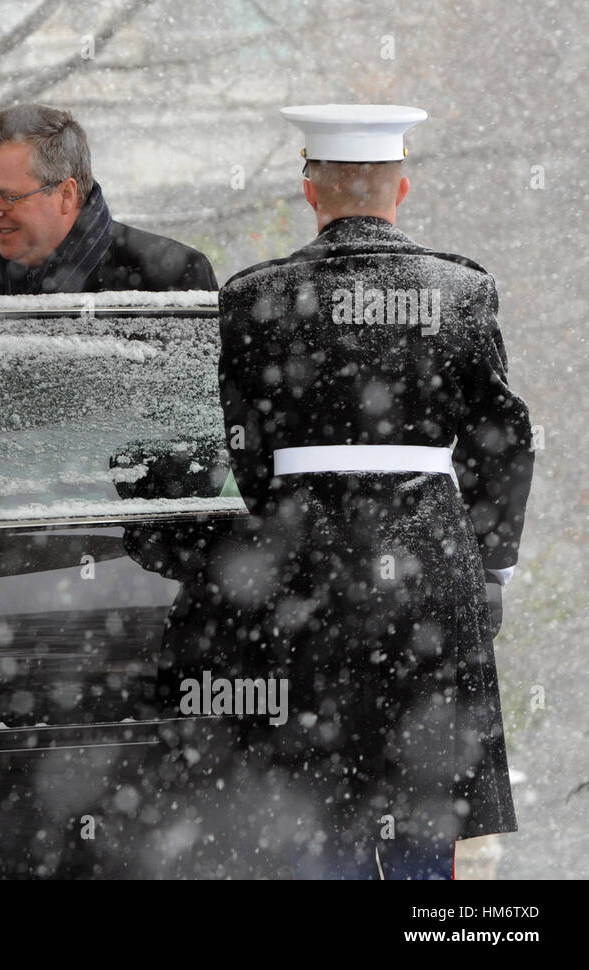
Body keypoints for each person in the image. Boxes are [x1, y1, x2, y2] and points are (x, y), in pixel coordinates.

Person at [211, 104, 534, 878]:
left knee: (314, 801)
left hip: (301, 570)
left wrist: (279, 514)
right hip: (428, 566)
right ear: (401, 191)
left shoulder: (254, 295)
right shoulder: (459, 291)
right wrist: (491, 566)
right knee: (426, 798)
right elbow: (503, 439)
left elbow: (239, 442)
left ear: (311, 191)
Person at [0, 103, 217, 446]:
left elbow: (197, 448)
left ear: (65, 194)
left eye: (7, 197)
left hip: (119, 506)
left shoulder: (171, 276)